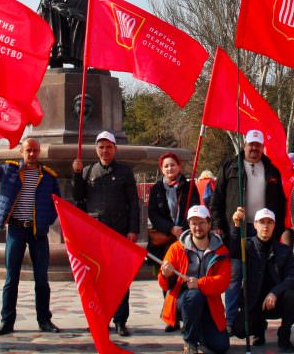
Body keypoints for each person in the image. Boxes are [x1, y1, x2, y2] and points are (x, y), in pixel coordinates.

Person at [0, 137, 61, 336]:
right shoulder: (9, 171)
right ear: (21, 151)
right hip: (16, 230)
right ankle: (7, 320)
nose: (32, 154)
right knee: (11, 278)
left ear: (39, 152)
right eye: (28, 150)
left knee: (42, 279)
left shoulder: (49, 177)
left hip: (38, 233)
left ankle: (44, 320)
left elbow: (57, 204)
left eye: (35, 150)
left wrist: (46, 221)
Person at [210, 129, 287, 328]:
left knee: (259, 273)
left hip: (264, 230)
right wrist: (218, 225)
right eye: (251, 144)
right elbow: (217, 199)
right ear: (244, 144)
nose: (254, 148)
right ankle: (231, 320)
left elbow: (280, 202)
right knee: (235, 273)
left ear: (262, 147)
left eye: (258, 145)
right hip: (237, 229)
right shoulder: (230, 166)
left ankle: (254, 319)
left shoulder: (271, 169)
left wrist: (277, 231)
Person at [72, 130, 139, 336]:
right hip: (95, 231)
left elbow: (134, 203)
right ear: (96, 150)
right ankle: (99, 317)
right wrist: (76, 174)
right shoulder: (88, 171)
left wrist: (133, 229)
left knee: (119, 278)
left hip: (118, 230)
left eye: (108, 147)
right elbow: (78, 198)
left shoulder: (125, 172)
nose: (105, 151)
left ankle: (120, 320)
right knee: (96, 278)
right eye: (101, 147)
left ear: (115, 149)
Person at [158, 205, 230, 354]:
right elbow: (163, 284)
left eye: (202, 222)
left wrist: (199, 283)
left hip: (209, 301)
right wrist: (165, 274)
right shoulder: (176, 248)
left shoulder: (221, 250)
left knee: (220, 347)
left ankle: (199, 332)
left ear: (209, 224)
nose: (198, 227)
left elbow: (223, 282)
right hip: (182, 299)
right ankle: (190, 341)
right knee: (194, 296)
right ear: (189, 225)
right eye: (194, 223)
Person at [230, 207, 294, 352]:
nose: (265, 226)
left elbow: (292, 277)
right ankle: (259, 330)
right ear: (255, 225)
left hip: (277, 301)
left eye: (269, 222)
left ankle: (284, 335)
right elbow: (234, 250)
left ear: (274, 225)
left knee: (292, 296)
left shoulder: (284, 250)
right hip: (254, 302)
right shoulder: (247, 245)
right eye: (262, 222)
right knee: (239, 329)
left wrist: (275, 292)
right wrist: (236, 226)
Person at [147, 152, 199, 332]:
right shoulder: (156, 189)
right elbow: (153, 213)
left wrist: (182, 230)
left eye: (173, 165)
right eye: (166, 166)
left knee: (185, 278)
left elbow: (195, 210)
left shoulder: (189, 187)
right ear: (162, 169)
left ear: (179, 167)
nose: (170, 168)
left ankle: (186, 317)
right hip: (164, 240)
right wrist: (170, 228)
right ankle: (171, 318)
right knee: (167, 279)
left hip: (185, 239)